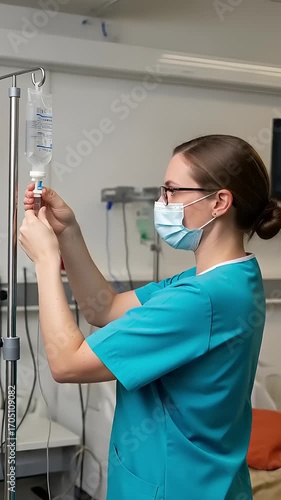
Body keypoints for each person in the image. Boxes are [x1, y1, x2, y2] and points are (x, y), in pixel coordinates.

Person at [20, 134, 281, 500]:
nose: (162, 202)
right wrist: (68, 233)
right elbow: (103, 308)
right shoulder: (226, 276)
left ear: (219, 202)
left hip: (178, 486)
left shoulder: (202, 298)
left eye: (172, 191)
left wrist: (46, 262)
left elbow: (67, 364)